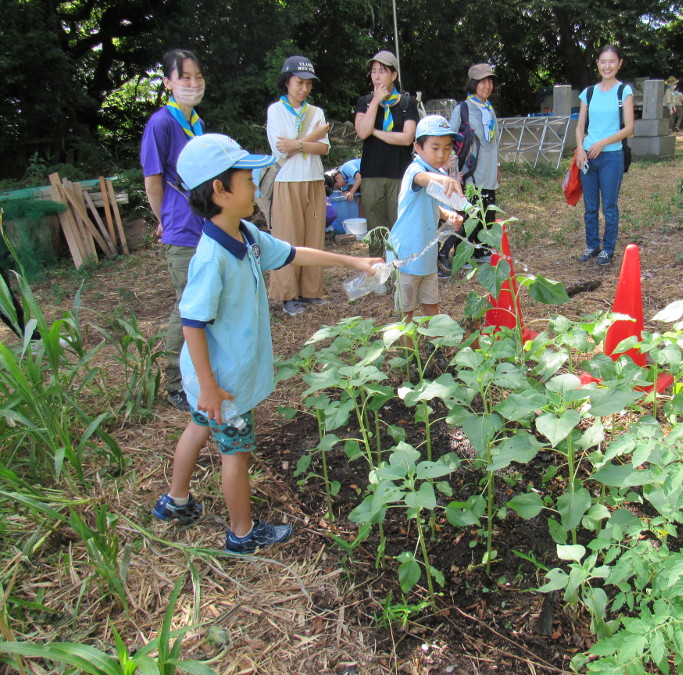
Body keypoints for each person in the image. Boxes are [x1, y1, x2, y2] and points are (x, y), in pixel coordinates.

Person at [152, 133, 380, 553]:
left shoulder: (246, 234)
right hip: (223, 384)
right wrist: (209, 387)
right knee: (235, 454)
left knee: (198, 427)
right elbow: (191, 323)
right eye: (247, 179)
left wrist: (353, 260)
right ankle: (242, 533)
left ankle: (176, 501)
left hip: (212, 380)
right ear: (220, 190)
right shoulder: (211, 258)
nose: (256, 186)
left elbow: (292, 253)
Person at [141, 49, 207, 412]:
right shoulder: (161, 124)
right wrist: (164, 220)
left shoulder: (196, 122)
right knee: (187, 306)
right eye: (185, 77)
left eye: (198, 76)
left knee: (203, 301)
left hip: (204, 226)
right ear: (168, 82)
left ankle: (199, 372)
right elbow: (153, 182)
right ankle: (174, 382)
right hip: (181, 231)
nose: (193, 83)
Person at [266, 55, 331, 316]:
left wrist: (298, 143)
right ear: (287, 82)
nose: (304, 88)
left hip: (314, 179)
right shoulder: (276, 111)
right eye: (299, 82)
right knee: (288, 238)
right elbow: (281, 149)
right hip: (287, 181)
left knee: (314, 237)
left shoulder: (316, 112)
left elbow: (323, 148)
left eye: (308, 84)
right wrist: (312, 137)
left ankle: (310, 292)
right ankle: (287, 295)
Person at [387, 115, 464, 326]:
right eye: (435, 148)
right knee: (407, 310)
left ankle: (436, 341)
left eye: (447, 148)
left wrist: (446, 214)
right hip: (407, 253)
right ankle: (408, 346)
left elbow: (429, 202)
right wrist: (444, 178)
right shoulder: (416, 170)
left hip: (426, 252)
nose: (441, 154)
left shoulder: (436, 171)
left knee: (431, 304)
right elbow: (422, 180)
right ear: (418, 147)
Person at [355, 51, 420, 264]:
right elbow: (362, 132)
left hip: (399, 174)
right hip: (372, 174)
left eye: (382, 71)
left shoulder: (407, 103)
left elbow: (407, 138)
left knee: (399, 226)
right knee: (375, 229)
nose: (376, 76)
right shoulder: (365, 102)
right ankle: (377, 270)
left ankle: (399, 271)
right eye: (373, 71)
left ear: (393, 75)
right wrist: (376, 102)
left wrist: (374, 132)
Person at [573, 45, 634, 267]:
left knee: (609, 207)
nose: (607, 66)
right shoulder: (588, 93)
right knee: (590, 207)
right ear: (597, 63)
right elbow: (580, 126)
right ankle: (592, 246)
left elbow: (629, 128)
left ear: (619, 63)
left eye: (612, 61)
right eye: (603, 61)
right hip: (588, 157)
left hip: (611, 157)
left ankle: (608, 249)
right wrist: (580, 149)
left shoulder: (623, 91)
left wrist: (603, 142)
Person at [439, 63, 501, 271]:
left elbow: (494, 141)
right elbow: (449, 137)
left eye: (490, 81)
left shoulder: (489, 109)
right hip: (471, 171)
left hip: (489, 169)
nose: (487, 86)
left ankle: (481, 250)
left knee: (487, 212)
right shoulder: (463, 108)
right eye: (482, 81)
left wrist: (498, 164)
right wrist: (451, 168)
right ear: (474, 84)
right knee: (469, 214)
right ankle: (455, 253)